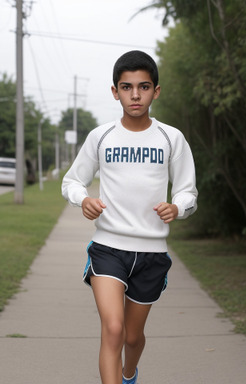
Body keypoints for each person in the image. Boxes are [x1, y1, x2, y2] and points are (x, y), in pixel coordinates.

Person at [62, 50, 198, 384]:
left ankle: (128, 373)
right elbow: (72, 181)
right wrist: (84, 200)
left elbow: (188, 193)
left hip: (152, 255)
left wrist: (177, 208)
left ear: (156, 91)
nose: (135, 95)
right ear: (115, 91)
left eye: (143, 86)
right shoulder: (101, 136)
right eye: (126, 87)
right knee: (113, 329)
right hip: (108, 248)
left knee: (132, 338)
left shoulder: (171, 138)